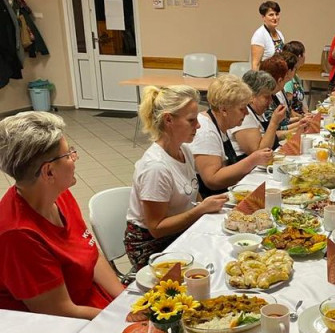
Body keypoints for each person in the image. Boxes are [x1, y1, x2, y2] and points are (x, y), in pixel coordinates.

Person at [0, 111, 124, 318]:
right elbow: (59, 311)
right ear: (48, 172)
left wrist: (126, 302)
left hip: (92, 304)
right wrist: (120, 320)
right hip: (67, 324)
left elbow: (90, 256)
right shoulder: (18, 235)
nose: (75, 158)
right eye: (69, 154)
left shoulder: (59, 195)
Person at [124, 86, 227, 271]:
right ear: (169, 119)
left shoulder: (184, 150)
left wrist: (208, 210)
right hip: (151, 246)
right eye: (191, 120)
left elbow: (193, 194)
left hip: (178, 231)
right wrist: (201, 211)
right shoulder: (156, 168)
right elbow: (156, 228)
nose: (198, 125)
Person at [192, 74, 272, 197]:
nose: (246, 113)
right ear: (224, 110)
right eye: (242, 108)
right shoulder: (206, 132)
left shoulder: (221, 123)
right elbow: (212, 180)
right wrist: (252, 160)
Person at [229, 70, 286, 157]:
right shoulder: (244, 116)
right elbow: (258, 152)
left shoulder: (258, 111)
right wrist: (274, 122)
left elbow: (267, 137)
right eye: (266, 97)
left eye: (271, 96)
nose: (271, 101)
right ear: (251, 96)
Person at [250, 0, 284, 69]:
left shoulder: (280, 34)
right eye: (271, 15)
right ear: (263, 17)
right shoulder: (259, 35)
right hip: (265, 77)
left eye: (277, 14)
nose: (275, 18)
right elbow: (255, 64)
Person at [283, 40, 308, 114]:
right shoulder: (288, 80)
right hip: (295, 121)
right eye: (304, 53)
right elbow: (288, 110)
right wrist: (302, 118)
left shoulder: (296, 77)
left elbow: (301, 103)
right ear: (299, 57)